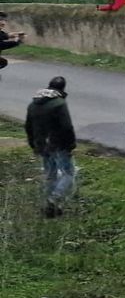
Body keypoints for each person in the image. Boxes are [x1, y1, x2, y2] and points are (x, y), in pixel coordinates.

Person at [25, 75, 75, 217]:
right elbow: (66, 127)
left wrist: (33, 144)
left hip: (42, 145)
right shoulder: (59, 103)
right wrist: (71, 144)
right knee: (68, 174)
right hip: (58, 144)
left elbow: (28, 126)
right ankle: (54, 198)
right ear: (62, 88)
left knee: (50, 175)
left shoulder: (33, 104)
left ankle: (50, 207)